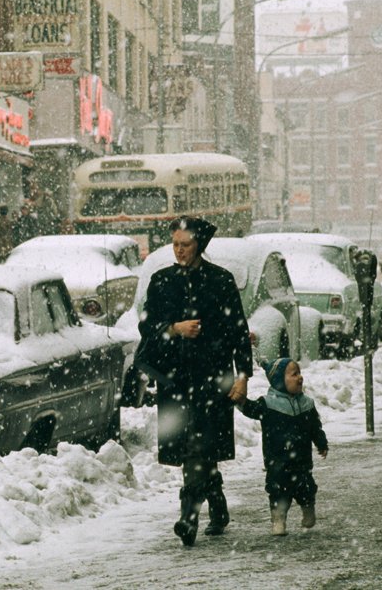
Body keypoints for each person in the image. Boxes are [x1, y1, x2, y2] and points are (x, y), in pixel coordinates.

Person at [138, 216, 253, 546]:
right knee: (194, 449)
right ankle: (216, 504)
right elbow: (146, 326)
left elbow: (238, 332)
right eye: (175, 244)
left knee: (199, 446)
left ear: (199, 246)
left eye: (185, 245)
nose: (179, 251)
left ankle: (188, 517)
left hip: (214, 379)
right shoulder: (161, 281)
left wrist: (242, 376)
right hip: (174, 380)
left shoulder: (220, 280)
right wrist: (174, 328)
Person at [234, 358, 329, 536]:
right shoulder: (268, 404)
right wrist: (240, 401)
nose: (300, 377)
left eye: (300, 373)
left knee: (306, 488)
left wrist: (321, 443)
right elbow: (250, 409)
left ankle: (308, 509)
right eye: (294, 374)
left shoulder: (306, 404)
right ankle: (279, 519)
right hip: (277, 461)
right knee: (277, 491)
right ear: (279, 381)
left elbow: (315, 428)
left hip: (302, 460)